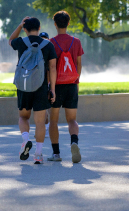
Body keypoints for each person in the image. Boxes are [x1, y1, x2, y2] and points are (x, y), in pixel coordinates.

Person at [9, 17, 57, 164]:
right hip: (41, 88)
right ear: (39, 27)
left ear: (25, 28)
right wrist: (52, 90)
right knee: (40, 122)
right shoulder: (48, 45)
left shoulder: (21, 42)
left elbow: (10, 40)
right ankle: (38, 154)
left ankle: (25, 140)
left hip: (23, 86)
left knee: (23, 117)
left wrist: (19, 25)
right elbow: (53, 68)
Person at [48, 11, 84, 163]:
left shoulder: (51, 42)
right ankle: (74, 142)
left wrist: (51, 89)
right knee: (72, 120)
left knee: (54, 121)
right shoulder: (76, 42)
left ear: (55, 24)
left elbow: (51, 67)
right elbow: (79, 64)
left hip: (56, 87)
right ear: (68, 23)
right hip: (71, 85)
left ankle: (56, 154)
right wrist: (76, 81)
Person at [39, 31, 51, 138]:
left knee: (45, 109)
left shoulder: (50, 50)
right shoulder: (36, 52)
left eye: (45, 38)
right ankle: (43, 128)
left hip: (47, 83)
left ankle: (46, 129)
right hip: (38, 83)